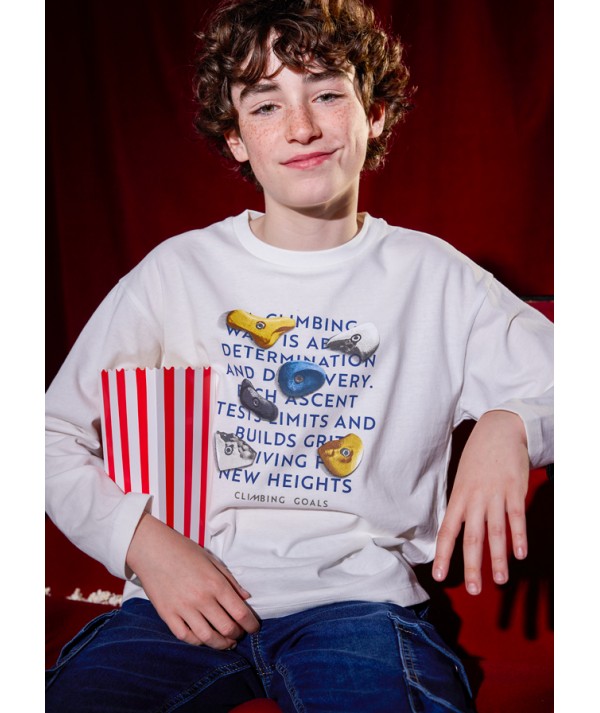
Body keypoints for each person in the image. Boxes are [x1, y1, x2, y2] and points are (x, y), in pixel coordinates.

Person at [45, 0, 553, 711]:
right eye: (265, 105)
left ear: (375, 113)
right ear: (235, 138)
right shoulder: (177, 272)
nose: (302, 127)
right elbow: (47, 434)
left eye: (326, 94)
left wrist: (512, 422)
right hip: (180, 603)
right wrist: (144, 545)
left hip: (360, 609)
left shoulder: (433, 276)